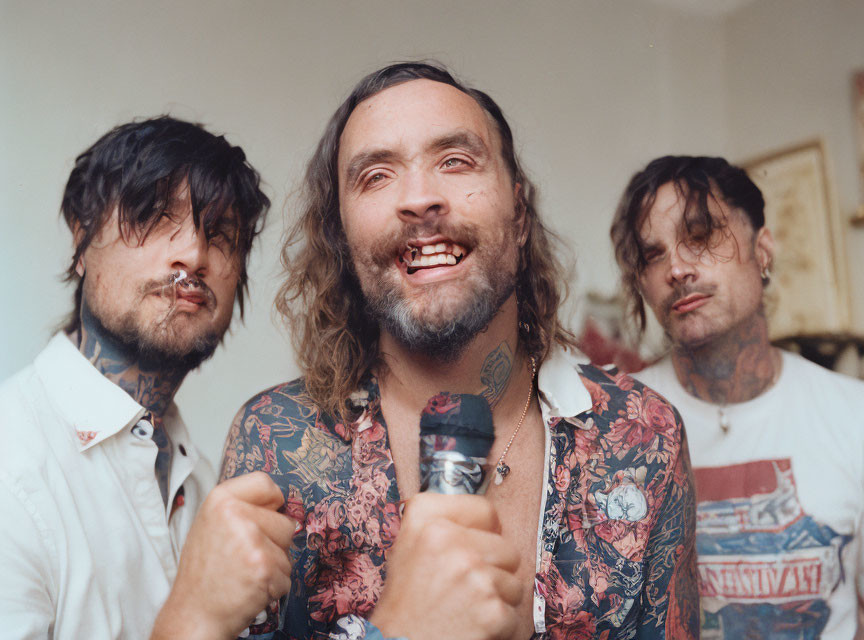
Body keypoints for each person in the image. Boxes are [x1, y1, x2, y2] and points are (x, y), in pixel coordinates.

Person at [166, 62, 698, 640]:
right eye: (376, 176)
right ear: (343, 239)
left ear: (519, 215)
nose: (419, 199)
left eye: (455, 161)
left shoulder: (645, 437)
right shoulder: (277, 441)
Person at [0, 116, 270, 638]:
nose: (193, 255)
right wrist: (196, 620)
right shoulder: (11, 466)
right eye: (154, 218)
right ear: (82, 240)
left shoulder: (204, 479)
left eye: (221, 235)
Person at [611, 155, 864, 639]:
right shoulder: (619, 425)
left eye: (702, 235)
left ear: (763, 249)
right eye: (653, 254)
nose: (677, 268)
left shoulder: (853, 416)